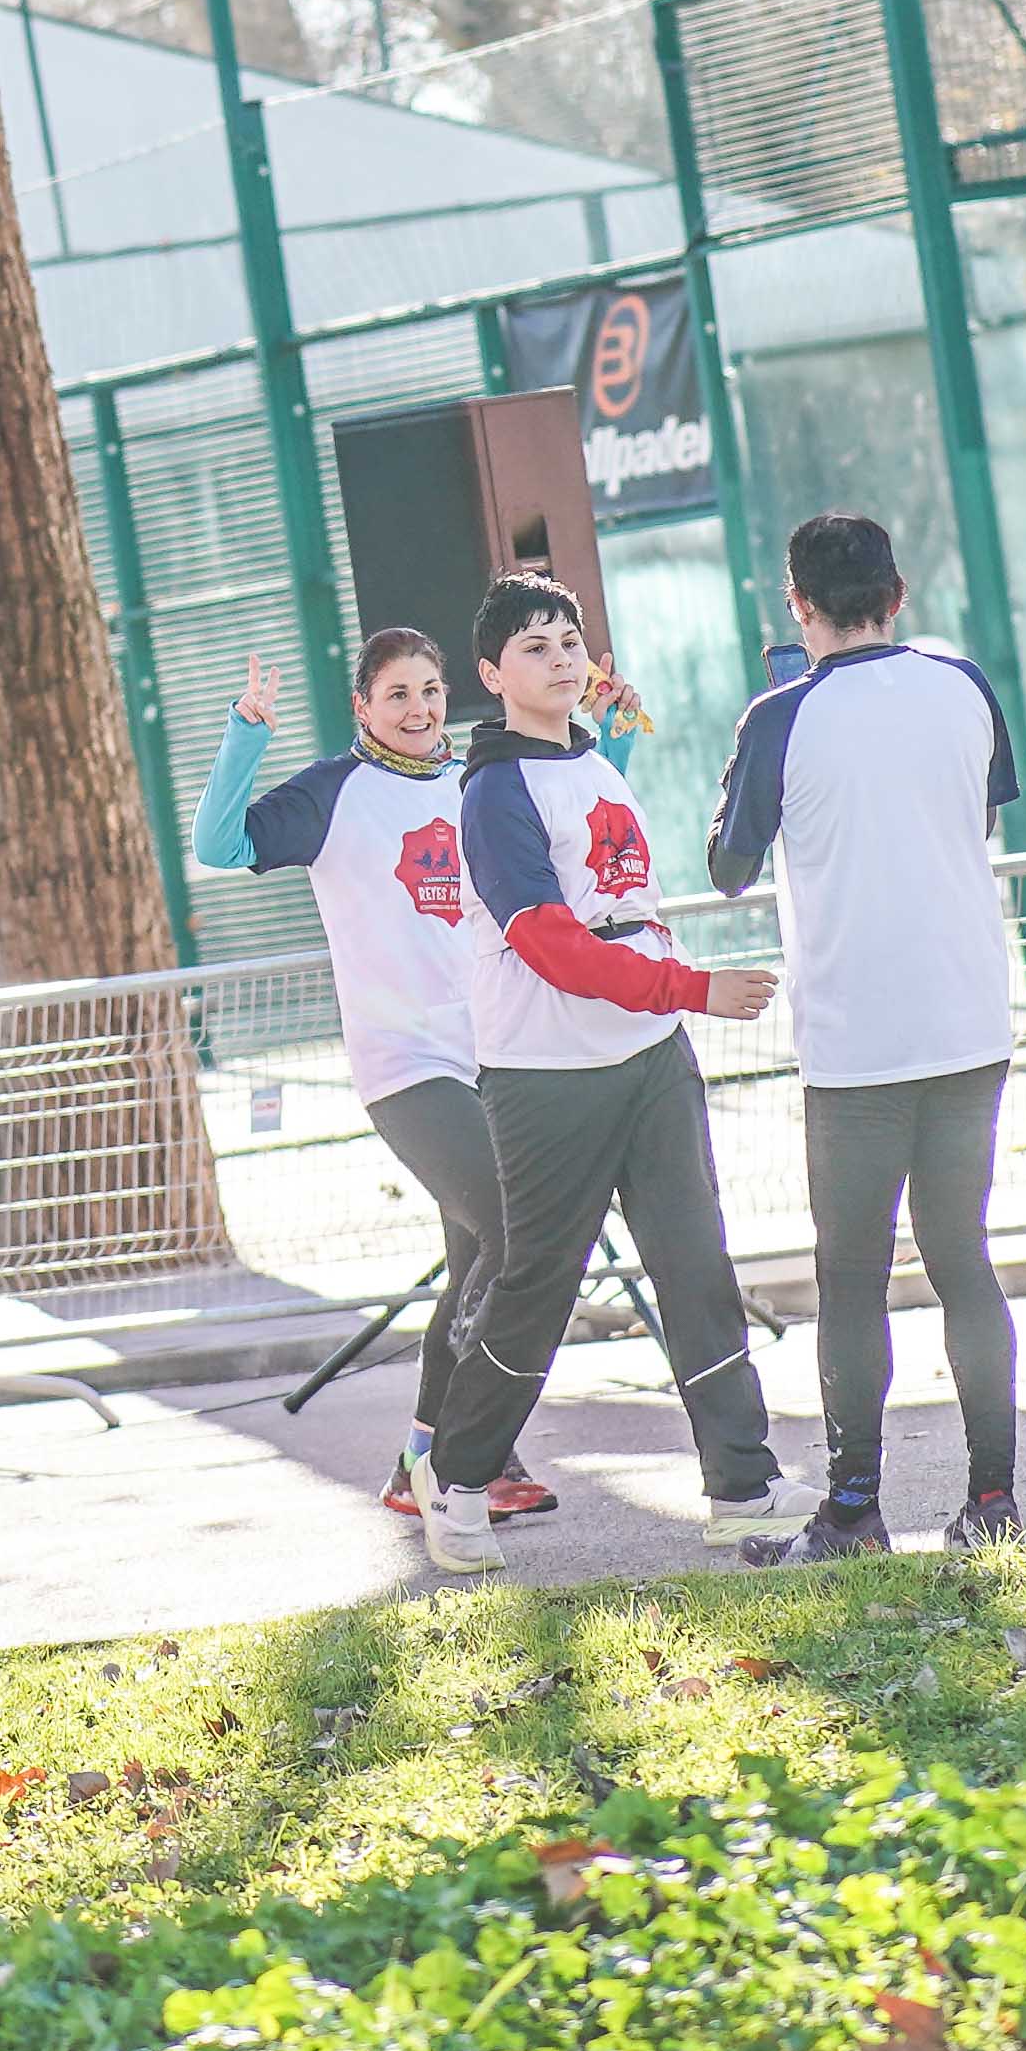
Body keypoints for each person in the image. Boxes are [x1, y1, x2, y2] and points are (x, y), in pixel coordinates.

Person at [408, 572, 799, 1574]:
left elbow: (615, 899)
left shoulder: (592, 763)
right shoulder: (494, 791)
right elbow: (550, 943)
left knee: (695, 1266)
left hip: (649, 1059)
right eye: (535, 647)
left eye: (570, 640)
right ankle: (456, 1479)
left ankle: (742, 1484)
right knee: (537, 1287)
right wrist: (691, 988)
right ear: (492, 674)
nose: (561, 659)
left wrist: (671, 1001)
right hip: (547, 1075)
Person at [712, 512, 1026, 1561]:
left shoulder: (780, 716)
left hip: (857, 1041)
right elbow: (978, 816)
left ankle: (853, 1509)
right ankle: (993, 1501)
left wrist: (762, 741)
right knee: (963, 1259)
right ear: (898, 595)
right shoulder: (965, 685)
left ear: (798, 606)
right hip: (969, 1019)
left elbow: (728, 867)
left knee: (851, 1275)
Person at [193, 631, 556, 1533]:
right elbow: (219, 845)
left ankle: (427, 1461)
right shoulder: (334, 792)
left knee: (477, 1265)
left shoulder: (478, 781)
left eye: (430, 690)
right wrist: (246, 732)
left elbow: (567, 832)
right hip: (406, 1065)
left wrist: (611, 734)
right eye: (397, 694)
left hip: (496, 1056)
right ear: (362, 707)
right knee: (515, 1235)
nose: (419, 709)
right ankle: (464, 1457)